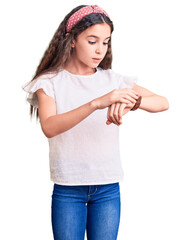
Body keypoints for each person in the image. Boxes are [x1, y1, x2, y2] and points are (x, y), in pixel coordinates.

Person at [22, 4, 169, 240]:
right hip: (68, 189)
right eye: (92, 41)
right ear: (71, 40)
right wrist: (96, 103)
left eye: (106, 42)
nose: (100, 50)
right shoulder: (50, 82)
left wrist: (132, 101)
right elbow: (49, 127)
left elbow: (163, 102)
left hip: (108, 188)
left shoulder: (113, 80)